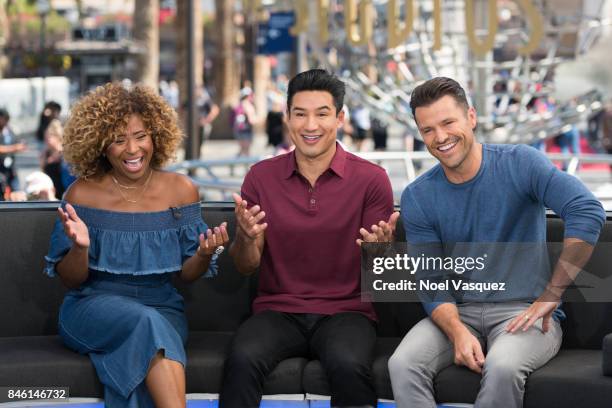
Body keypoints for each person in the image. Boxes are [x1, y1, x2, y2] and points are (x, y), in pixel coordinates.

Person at [387, 77, 606, 408]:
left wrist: (552, 293)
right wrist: (458, 332)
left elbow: (587, 211)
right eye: (428, 129)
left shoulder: (521, 163)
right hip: (457, 313)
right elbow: (431, 280)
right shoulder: (418, 196)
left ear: (471, 117)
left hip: (524, 313)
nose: (440, 137)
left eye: (448, 122)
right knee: (401, 364)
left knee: (501, 367)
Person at [219, 69, 399, 408]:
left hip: (347, 312)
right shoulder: (261, 177)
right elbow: (246, 266)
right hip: (278, 310)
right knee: (241, 359)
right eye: (300, 114)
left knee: (349, 364)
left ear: (341, 118)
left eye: (322, 114)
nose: (310, 125)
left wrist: (382, 251)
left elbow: (383, 275)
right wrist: (244, 237)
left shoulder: (372, 179)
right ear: (287, 118)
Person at [43, 83, 229, 408]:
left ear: (155, 136)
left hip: (163, 308)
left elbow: (188, 276)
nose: (132, 149)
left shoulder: (181, 190)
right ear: (101, 146)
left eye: (140, 135)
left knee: (150, 331)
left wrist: (203, 253)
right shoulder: (81, 194)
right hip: (92, 307)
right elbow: (71, 280)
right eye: (118, 140)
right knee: (147, 327)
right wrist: (81, 248)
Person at [0, 108, 26, 199]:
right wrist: (14, 147)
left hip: (11, 167)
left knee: (16, 190)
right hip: (1, 169)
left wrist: (20, 145)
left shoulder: (10, 131)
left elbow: (17, 141)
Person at [232, 88, 256, 157]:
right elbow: (252, 120)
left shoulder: (239, 105)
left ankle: (233, 164)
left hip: (238, 130)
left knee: (242, 149)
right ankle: (247, 166)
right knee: (246, 151)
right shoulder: (248, 105)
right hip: (246, 130)